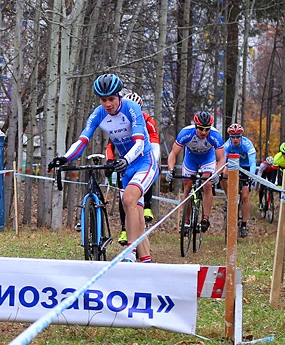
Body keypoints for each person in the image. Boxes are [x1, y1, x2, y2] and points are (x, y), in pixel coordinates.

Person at [51, 74, 158, 263]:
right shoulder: (98, 113)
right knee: (136, 216)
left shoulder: (132, 108)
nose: (108, 104)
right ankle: (146, 262)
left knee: (128, 200)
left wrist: (125, 159)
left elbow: (140, 143)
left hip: (144, 162)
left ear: (119, 96)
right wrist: (65, 158)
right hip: (126, 166)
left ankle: (129, 253)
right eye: (103, 100)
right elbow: (82, 140)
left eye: (111, 99)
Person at [109, 91, 160, 246]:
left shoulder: (147, 120)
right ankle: (124, 228)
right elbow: (110, 146)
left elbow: (154, 143)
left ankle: (148, 206)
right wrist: (110, 161)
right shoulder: (117, 120)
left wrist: (153, 162)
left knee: (139, 191)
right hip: (126, 163)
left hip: (143, 158)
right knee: (124, 195)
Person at [165, 111, 225, 234]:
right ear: (196, 126)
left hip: (207, 158)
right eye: (201, 129)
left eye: (207, 129)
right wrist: (170, 169)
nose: (204, 132)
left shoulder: (215, 135)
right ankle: (186, 220)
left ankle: (205, 218)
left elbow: (221, 159)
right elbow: (173, 153)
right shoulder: (186, 133)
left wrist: (217, 174)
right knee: (187, 187)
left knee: (207, 184)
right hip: (190, 159)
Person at [222, 123, 257, 238]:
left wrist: (251, 175)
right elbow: (223, 160)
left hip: (246, 168)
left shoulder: (247, 144)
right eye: (233, 137)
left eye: (238, 137)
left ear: (241, 136)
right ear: (230, 137)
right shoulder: (227, 145)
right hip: (232, 166)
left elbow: (252, 162)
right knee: (223, 175)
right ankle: (229, 197)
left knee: (245, 196)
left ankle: (244, 225)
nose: (235, 139)